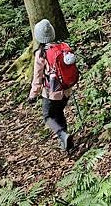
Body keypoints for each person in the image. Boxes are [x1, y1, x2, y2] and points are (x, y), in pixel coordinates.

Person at [28, 19, 74, 153]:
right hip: (66, 90)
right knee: (59, 113)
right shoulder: (63, 47)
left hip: (51, 93)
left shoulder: (41, 53)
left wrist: (33, 95)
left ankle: (62, 135)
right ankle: (66, 142)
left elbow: (37, 77)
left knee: (48, 117)